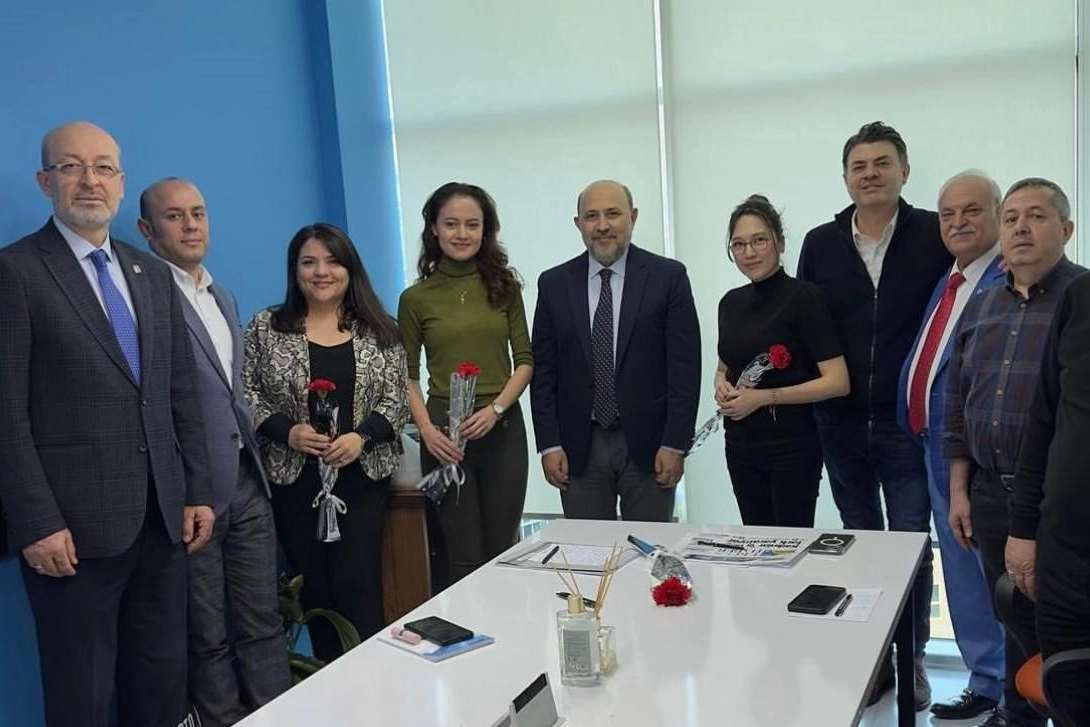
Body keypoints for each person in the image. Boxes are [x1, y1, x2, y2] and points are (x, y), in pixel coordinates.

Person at [0, 121, 213, 726]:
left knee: (160, 686)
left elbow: (179, 392)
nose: (89, 180)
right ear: (46, 181)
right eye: (71, 166)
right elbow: (6, 413)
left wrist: (195, 489)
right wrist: (36, 521)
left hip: (161, 521)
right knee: (82, 697)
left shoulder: (151, 273)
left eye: (103, 167)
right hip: (70, 533)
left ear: (121, 182)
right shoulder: (15, 272)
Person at [797, 121, 951, 708]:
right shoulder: (820, 243)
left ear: (904, 171)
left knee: (911, 547)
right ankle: (874, 660)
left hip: (908, 425)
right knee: (860, 547)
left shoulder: (935, 235)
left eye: (882, 163)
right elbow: (802, 326)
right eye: (859, 166)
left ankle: (912, 659)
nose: (870, 174)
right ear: (845, 178)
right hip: (838, 424)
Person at [139, 178, 290, 725]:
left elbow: (232, 392)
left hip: (247, 478)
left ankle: (280, 715)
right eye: (174, 216)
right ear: (147, 229)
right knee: (207, 633)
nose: (190, 226)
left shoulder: (221, 295)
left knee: (262, 622)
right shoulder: (144, 298)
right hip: (190, 493)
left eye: (198, 213)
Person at [944, 177, 1084, 727]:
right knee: (1011, 621)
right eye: (1011, 218)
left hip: (1059, 505)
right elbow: (957, 400)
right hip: (989, 495)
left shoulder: (1081, 303)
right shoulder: (982, 305)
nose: (1021, 228)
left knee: (1066, 635)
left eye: (1036, 217)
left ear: (1066, 229)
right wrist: (958, 490)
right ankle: (1017, 716)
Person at [242, 222, 408, 662]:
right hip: (295, 481)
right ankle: (326, 682)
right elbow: (245, 392)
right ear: (294, 269)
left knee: (359, 588)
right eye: (309, 262)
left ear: (350, 269)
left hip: (361, 480)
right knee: (315, 593)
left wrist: (361, 438)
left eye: (333, 262)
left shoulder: (379, 329)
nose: (321, 272)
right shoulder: (265, 327)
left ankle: (372, 683)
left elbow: (396, 399)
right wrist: (287, 431)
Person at [895, 170, 1007, 722]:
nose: (958, 222)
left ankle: (1005, 690)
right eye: (948, 214)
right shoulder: (953, 279)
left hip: (977, 461)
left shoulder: (1005, 281)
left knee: (986, 577)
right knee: (962, 577)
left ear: (998, 214)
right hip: (930, 447)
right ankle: (987, 681)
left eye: (972, 210)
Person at [530, 179, 701, 521]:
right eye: (591, 216)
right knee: (588, 549)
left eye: (613, 214)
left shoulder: (668, 277)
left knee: (648, 546)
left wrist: (675, 443)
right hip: (579, 448)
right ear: (578, 223)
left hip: (650, 447)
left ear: (632, 217)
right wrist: (549, 444)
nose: (602, 225)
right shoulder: (554, 284)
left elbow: (684, 370)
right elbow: (543, 372)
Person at [397, 182, 533, 585]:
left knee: (502, 549)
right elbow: (407, 374)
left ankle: (507, 624)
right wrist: (426, 432)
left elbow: (525, 362)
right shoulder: (415, 298)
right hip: (443, 433)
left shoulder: (505, 288)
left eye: (472, 224)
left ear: (485, 230)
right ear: (434, 229)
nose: (462, 233)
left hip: (501, 427)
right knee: (461, 555)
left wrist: (495, 410)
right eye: (451, 223)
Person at [713, 194, 848, 527]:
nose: (749, 252)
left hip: (791, 447)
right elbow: (724, 366)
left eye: (759, 240)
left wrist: (763, 398)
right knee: (755, 541)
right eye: (739, 244)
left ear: (780, 242)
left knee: (790, 544)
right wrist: (720, 385)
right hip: (740, 445)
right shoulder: (730, 303)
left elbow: (837, 381)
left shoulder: (805, 298)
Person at [1010, 268, 1090, 724]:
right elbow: (1042, 420)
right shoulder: (1081, 297)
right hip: (1063, 561)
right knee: (1069, 701)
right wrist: (1023, 530)